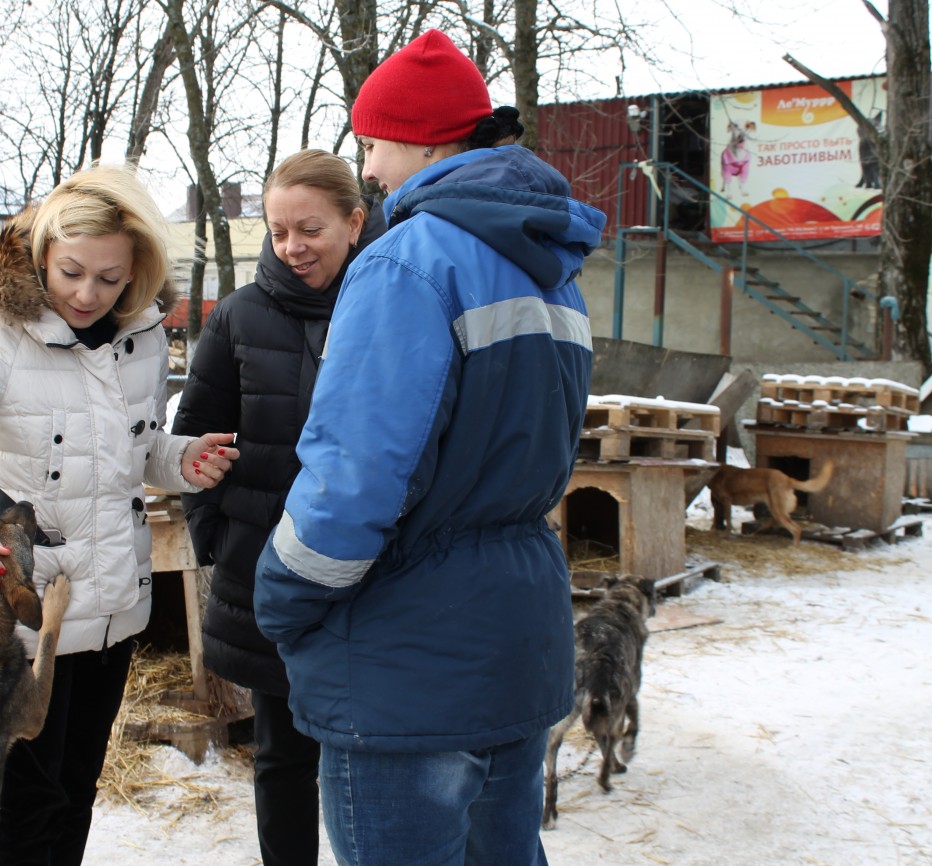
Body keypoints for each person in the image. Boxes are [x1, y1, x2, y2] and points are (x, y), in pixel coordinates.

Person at [253, 29, 607, 866]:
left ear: (420, 139)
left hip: (408, 657)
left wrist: (282, 595)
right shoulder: (549, 268)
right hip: (517, 636)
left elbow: (359, 477)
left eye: (373, 143)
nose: (368, 169)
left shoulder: (407, 265)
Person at [0, 163, 238, 866]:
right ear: (42, 254)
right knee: (26, 813)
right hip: (25, 617)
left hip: (113, 607)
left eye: (110, 278)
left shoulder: (142, 334)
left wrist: (179, 458)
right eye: (71, 272)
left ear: (137, 270)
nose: (87, 294)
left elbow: (132, 448)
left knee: (76, 792)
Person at [171, 148, 386, 866]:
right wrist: (221, 541)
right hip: (271, 576)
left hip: (375, 580)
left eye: (311, 229)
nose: (292, 247)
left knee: (374, 757)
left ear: (355, 222)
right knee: (284, 756)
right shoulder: (238, 318)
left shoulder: (391, 304)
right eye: (279, 230)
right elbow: (192, 444)